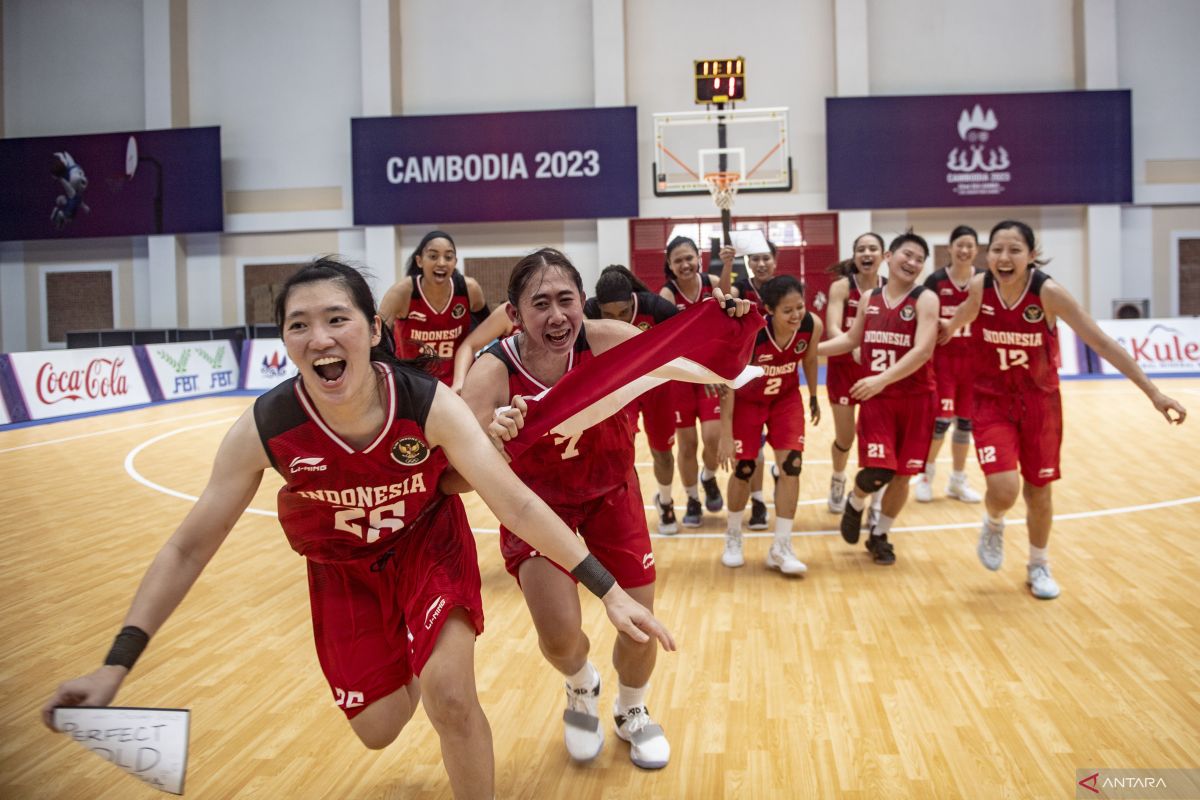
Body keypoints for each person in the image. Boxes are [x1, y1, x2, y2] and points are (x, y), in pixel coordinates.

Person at [42, 258, 673, 800]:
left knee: (449, 696)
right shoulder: (266, 427)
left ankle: (452, 659)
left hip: (428, 542)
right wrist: (114, 666)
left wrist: (609, 591)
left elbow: (516, 503)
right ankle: (404, 651)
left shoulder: (427, 403)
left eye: (336, 319)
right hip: (342, 568)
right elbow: (186, 547)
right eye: (299, 325)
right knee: (379, 728)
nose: (319, 337)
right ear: (284, 341)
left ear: (373, 329)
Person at [461, 248, 751, 770]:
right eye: (540, 303)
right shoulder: (492, 373)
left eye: (566, 300)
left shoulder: (611, 341)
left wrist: (724, 321)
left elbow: (691, 354)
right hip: (539, 512)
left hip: (612, 493)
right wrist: (491, 439)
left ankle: (631, 709)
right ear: (514, 313)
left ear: (583, 302)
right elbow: (457, 477)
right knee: (560, 638)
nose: (556, 316)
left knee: (639, 622)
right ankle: (580, 685)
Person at [940, 220, 1187, 599]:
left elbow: (1102, 344)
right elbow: (963, 316)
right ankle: (994, 522)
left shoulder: (1049, 293)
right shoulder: (980, 285)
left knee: (1039, 490)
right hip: (992, 400)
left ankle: (1038, 564)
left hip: (1040, 403)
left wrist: (1154, 394)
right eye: (997, 250)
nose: (1004, 258)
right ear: (988, 254)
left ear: (1031, 255)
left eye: (1014, 250)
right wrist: (942, 328)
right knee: (1004, 489)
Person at [818, 231, 939, 566]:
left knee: (902, 475)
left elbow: (923, 350)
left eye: (919, 259)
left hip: (916, 398)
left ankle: (881, 534)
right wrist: (806, 352)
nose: (912, 263)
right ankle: (857, 501)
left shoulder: (926, 299)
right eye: (907, 255)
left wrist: (880, 379)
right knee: (877, 470)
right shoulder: (870, 298)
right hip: (879, 399)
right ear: (890, 256)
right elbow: (850, 339)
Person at [718, 275, 822, 574]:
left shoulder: (811, 325)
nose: (796, 315)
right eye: (787, 310)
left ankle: (781, 546)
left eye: (799, 307)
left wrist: (814, 395)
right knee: (744, 468)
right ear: (770, 310)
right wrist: (725, 433)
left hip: (785, 399)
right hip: (746, 402)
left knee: (791, 465)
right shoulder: (754, 334)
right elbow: (729, 383)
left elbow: (811, 359)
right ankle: (734, 536)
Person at [584, 265, 681, 534]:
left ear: (633, 301)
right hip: (621, 386)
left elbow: (691, 334)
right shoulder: (588, 311)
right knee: (622, 449)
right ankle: (626, 509)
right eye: (609, 315)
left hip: (658, 383)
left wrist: (714, 373)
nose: (618, 321)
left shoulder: (657, 307)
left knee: (662, 452)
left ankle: (665, 501)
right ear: (598, 308)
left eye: (624, 312)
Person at [659, 235, 730, 526]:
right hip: (681, 375)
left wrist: (727, 265)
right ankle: (692, 498)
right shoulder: (666, 295)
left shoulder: (712, 282)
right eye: (678, 260)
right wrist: (695, 373)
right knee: (687, 445)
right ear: (670, 265)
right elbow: (669, 345)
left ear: (698, 258)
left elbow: (728, 307)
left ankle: (709, 477)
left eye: (689, 257)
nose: (685, 264)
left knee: (712, 438)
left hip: (710, 373)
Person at [912, 225, 984, 504]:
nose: (964, 250)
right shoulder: (936, 281)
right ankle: (926, 476)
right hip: (943, 363)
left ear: (976, 250)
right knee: (940, 423)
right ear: (950, 248)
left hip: (974, 366)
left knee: (965, 424)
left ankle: (957, 480)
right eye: (960, 245)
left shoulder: (985, 281)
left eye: (970, 245)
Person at [824, 234, 888, 529]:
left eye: (872, 248)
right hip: (843, 368)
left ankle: (875, 500)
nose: (866, 253)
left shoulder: (890, 289)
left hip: (877, 371)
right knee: (846, 438)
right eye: (860, 248)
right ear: (854, 256)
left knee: (878, 440)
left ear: (883, 255)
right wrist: (854, 345)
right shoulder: (841, 287)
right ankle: (838, 479)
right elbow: (833, 326)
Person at [379, 230, 487, 385]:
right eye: (433, 256)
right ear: (419, 261)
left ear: (455, 262)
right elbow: (376, 337)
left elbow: (490, 330)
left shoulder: (469, 289)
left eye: (448, 257)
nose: (441, 263)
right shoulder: (402, 292)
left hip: (458, 384)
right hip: (413, 384)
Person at [722, 238, 779, 528]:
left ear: (775, 260)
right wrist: (728, 263)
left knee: (767, 448)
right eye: (754, 258)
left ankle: (758, 499)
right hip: (745, 371)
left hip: (776, 373)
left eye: (766, 258)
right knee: (752, 451)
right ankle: (757, 500)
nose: (761, 263)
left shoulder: (783, 288)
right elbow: (721, 297)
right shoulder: (741, 288)